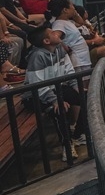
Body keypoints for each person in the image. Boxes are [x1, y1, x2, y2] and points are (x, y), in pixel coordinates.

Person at [23, 24, 86, 162]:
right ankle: (67, 145)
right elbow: (37, 86)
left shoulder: (59, 50)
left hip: (56, 88)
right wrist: (55, 100)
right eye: (52, 33)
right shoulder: (37, 57)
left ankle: (79, 135)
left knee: (85, 97)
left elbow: (69, 72)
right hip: (35, 96)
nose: (57, 34)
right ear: (46, 41)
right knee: (58, 109)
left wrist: (76, 87)